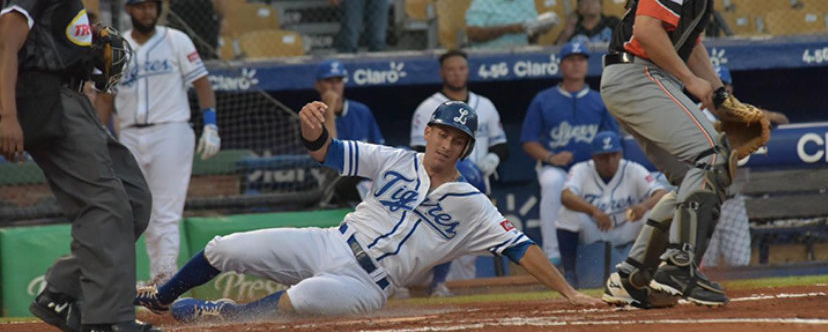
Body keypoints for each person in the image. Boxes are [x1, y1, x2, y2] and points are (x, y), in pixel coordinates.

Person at [133, 100, 600, 322]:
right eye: (442, 133)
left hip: (366, 284)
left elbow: (520, 246)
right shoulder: (394, 159)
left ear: (465, 148)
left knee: (305, 299)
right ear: (430, 132)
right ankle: (162, 296)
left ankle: (226, 316)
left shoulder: (473, 204)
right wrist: (310, 129)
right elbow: (327, 153)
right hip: (331, 241)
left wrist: (568, 292)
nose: (447, 143)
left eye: (458, 140)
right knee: (224, 246)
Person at [0, 0, 159, 331]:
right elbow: (5, 41)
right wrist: (6, 115)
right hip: (47, 100)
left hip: (72, 99)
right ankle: (108, 321)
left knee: (133, 198)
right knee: (105, 205)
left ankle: (59, 291)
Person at [599, 0, 744, 309]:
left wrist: (718, 93)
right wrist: (692, 83)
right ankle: (679, 267)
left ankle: (634, 276)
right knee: (712, 155)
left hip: (643, 76)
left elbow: (690, 43)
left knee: (695, 177)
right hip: (638, 72)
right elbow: (647, 30)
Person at [95, 0, 221, 285]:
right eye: (140, 5)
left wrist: (211, 124)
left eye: (151, 4)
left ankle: (164, 280)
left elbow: (202, 82)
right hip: (129, 135)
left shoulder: (176, 39)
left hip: (171, 131)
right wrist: (98, 135)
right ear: (129, 9)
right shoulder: (117, 45)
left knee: (166, 210)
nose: (147, 10)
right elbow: (106, 98)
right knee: (134, 210)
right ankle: (138, 281)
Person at [410, 49, 509, 296]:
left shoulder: (485, 105)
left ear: (468, 70)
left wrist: (494, 157)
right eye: (451, 69)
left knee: (467, 252)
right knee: (438, 237)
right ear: (442, 72)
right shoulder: (428, 107)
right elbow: (419, 149)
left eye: (461, 68)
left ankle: (459, 302)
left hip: (477, 186)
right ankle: (432, 286)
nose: (457, 74)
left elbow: (501, 143)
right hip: (439, 186)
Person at [520, 41, 620, 265]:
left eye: (581, 60)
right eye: (571, 60)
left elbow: (613, 141)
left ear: (587, 65)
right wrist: (550, 157)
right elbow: (528, 140)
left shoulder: (598, 99)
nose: (576, 65)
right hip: (557, 167)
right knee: (552, 183)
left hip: (591, 170)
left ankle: (608, 253)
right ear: (561, 65)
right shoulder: (544, 99)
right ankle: (552, 253)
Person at [700, 64, 787, 268]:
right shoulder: (698, 114)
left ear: (731, 90)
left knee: (741, 264)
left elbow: (783, 120)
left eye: (725, 86)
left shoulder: (745, 114)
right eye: (717, 85)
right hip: (705, 200)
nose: (722, 90)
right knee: (706, 266)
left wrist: (764, 115)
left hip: (733, 202)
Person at [556, 131, 667, 287]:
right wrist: (593, 210)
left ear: (620, 154)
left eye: (613, 155)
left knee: (653, 214)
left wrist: (643, 206)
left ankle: (653, 270)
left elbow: (661, 193)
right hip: (595, 227)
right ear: (594, 157)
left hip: (627, 226)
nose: (610, 161)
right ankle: (569, 273)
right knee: (568, 214)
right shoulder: (581, 169)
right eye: (603, 157)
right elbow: (566, 196)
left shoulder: (632, 169)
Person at [313, 59, 386, 205]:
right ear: (318, 85)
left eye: (338, 80)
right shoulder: (313, 115)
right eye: (329, 81)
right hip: (335, 181)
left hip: (367, 179)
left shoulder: (361, 111)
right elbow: (331, 153)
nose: (334, 86)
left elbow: (380, 150)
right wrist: (330, 110)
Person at [555, 0, 621, 45]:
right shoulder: (574, 28)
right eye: (585, 0)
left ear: (601, 4)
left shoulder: (612, 23)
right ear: (579, 8)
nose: (590, 3)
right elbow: (555, 53)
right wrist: (566, 35)